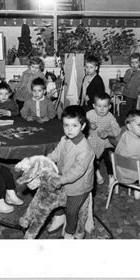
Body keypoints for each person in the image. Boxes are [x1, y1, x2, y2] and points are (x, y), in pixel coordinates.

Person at [47, 105, 95, 239]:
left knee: (72, 211)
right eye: (66, 125)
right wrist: (46, 160)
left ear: (83, 126)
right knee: (55, 200)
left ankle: (70, 232)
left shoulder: (84, 148)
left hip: (79, 186)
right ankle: (59, 216)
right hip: (64, 179)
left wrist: (61, 180)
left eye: (74, 126)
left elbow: (77, 171)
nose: (69, 129)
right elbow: (56, 154)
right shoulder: (64, 140)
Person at [114, 110, 140, 196]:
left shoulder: (125, 134)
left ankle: (137, 189)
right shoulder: (138, 143)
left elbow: (131, 148)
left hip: (120, 172)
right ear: (129, 126)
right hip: (133, 176)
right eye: (139, 125)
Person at [86, 92, 121, 185]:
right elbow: (80, 124)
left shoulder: (110, 117)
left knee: (109, 158)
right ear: (94, 105)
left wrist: (108, 133)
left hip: (106, 143)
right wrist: (89, 124)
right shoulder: (89, 114)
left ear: (109, 107)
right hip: (92, 141)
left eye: (105, 106)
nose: (102, 109)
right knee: (89, 158)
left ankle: (111, 176)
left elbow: (117, 131)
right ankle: (97, 173)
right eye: (99, 106)